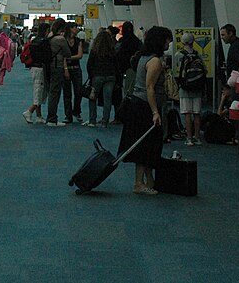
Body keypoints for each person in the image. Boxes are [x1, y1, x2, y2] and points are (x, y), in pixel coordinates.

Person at [118, 25, 172, 195]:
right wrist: (155, 112)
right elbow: (150, 88)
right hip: (145, 107)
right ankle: (139, 183)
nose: (169, 43)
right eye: (167, 39)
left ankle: (149, 180)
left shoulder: (143, 57)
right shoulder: (155, 61)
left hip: (138, 104)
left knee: (147, 144)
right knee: (145, 145)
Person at [176, 32, 204, 146]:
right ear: (193, 42)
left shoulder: (179, 55)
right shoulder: (198, 55)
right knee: (197, 113)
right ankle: (197, 137)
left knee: (187, 113)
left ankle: (188, 138)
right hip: (197, 88)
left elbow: (177, 71)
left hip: (185, 88)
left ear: (182, 42)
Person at [85, 27, 116, 128]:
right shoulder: (112, 50)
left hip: (97, 76)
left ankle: (92, 121)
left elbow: (89, 64)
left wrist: (90, 76)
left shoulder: (95, 50)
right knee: (108, 99)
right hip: (110, 76)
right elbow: (117, 65)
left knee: (93, 97)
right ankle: (105, 121)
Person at [45, 19, 74, 126]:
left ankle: (51, 117)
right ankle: (52, 118)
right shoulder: (60, 39)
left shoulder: (49, 36)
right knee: (55, 93)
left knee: (52, 92)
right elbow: (68, 53)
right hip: (58, 67)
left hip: (49, 66)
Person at [22, 22, 49, 124]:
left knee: (39, 91)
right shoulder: (44, 42)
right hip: (40, 68)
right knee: (39, 92)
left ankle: (39, 115)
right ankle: (29, 111)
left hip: (34, 67)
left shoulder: (34, 41)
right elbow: (47, 56)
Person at [63, 25, 85, 123]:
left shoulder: (78, 41)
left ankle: (76, 111)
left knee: (78, 92)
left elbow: (80, 55)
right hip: (67, 69)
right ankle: (68, 115)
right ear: (70, 29)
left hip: (76, 69)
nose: (76, 29)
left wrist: (68, 58)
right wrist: (65, 68)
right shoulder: (63, 40)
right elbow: (62, 55)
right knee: (67, 93)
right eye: (74, 27)